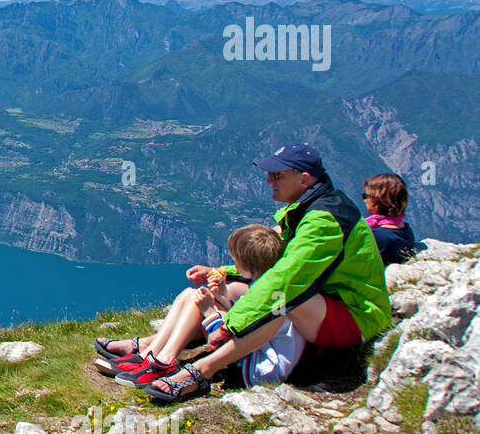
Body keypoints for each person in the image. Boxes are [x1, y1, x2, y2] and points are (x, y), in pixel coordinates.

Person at [99, 144, 392, 402]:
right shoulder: (310, 207)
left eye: (278, 175)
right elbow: (277, 265)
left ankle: (201, 371)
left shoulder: (324, 221)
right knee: (207, 291)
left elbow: (285, 279)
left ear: (304, 179)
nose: (269, 181)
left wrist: (231, 324)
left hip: (353, 317)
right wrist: (221, 272)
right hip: (324, 301)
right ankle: (156, 353)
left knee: (281, 299)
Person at [95, 224, 287, 388]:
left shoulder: (265, 296)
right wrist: (221, 296)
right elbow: (241, 318)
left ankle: (163, 361)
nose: (233, 266)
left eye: (236, 261)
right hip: (250, 352)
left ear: (247, 266)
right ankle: (149, 354)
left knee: (198, 300)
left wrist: (209, 310)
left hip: (250, 364)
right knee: (189, 294)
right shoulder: (264, 287)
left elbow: (222, 337)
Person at [362, 172, 415, 266]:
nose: (365, 200)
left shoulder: (377, 237)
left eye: (366, 196)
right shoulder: (406, 230)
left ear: (377, 201)